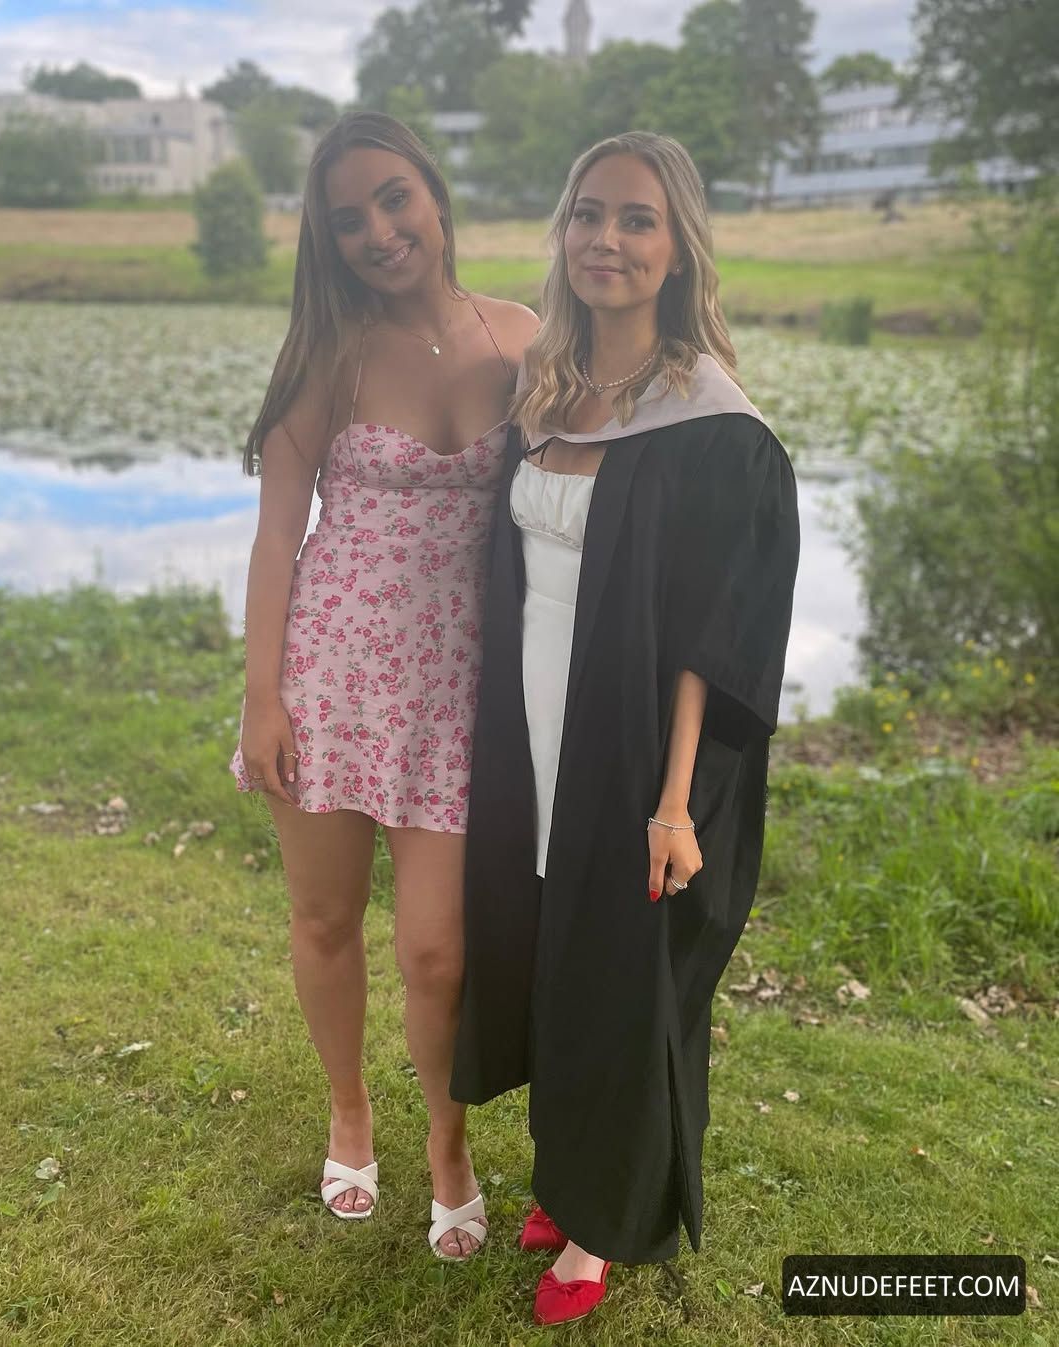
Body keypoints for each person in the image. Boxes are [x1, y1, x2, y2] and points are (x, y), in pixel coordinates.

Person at [450, 131, 799, 1323]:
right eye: (589, 213)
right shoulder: (547, 389)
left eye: (637, 219)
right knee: (558, 955)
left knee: (625, 978)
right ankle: (565, 1176)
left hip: (642, 741)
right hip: (535, 727)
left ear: (677, 247)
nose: (607, 239)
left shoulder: (707, 421)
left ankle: (602, 1225)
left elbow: (714, 631)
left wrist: (674, 799)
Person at [230, 111, 538, 1260]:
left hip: (459, 689)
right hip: (330, 674)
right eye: (348, 218)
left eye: (393, 198)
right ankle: (350, 1108)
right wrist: (263, 700)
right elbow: (276, 538)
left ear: (435, 194)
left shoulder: (523, 337)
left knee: (437, 951)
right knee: (324, 919)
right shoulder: (330, 354)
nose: (378, 230)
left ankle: (448, 1142)